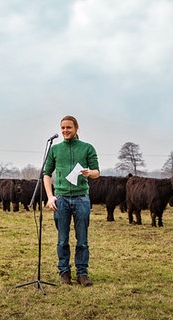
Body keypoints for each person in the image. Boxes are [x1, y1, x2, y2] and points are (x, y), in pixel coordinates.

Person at [43, 115, 100, 287]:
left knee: (82, 239)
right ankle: (64, 272)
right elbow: (46, 174)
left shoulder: (87, 148)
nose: (65, 131)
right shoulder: (54, 149)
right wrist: (50, 196)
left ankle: (82, 274)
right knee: (62, 240)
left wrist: (89, 173)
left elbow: (97, 171)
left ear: (76, 128)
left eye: (69, 127)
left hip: (81, 198)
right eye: (63, 128)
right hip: (60, 200)